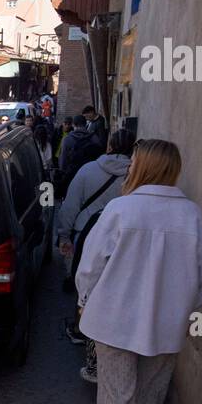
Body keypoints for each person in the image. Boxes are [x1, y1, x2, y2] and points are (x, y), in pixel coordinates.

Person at [76, 140, 202, 404]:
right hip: (166, 324)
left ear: (144, 167)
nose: (130, 165)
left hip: (114, 319)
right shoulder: (193, 216)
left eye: (134, 161)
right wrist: (178, 309)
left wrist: (84, 300)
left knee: (116, 396)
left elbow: (91, 266)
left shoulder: (122, 209)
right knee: (152, 390)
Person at [57, 127, 136, 312]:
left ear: (110, 145)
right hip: (120, 238)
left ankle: (80, 322)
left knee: (85, 279)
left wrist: (64, 235)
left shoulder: (88, 169)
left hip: (84, 232)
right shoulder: (135, 176)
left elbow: (71, 206)